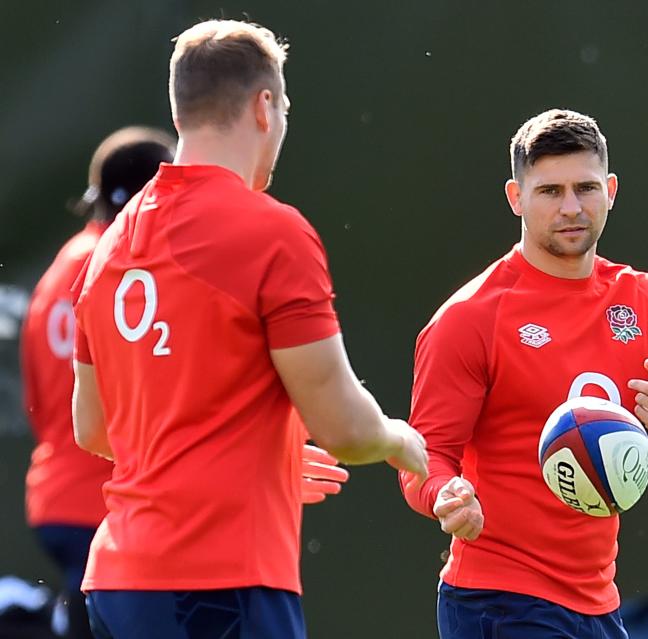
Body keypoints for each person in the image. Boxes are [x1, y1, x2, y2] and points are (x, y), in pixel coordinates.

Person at [71, 19, 427, 639]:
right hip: (218, 587)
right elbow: (344, 429)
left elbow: (96, 429)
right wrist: (398, 440)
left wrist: (267, 460)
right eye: (284, 107)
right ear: (265, 107)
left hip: (120, 585)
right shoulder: (271, 231)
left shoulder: (108, 246)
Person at [400, 108, 648, 639]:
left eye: (586, 188)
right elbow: (422, 454)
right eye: (550, 191)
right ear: (515, 198)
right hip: (500, 599)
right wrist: (443, 493)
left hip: (600, 603)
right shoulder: (471, 317)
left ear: (612, 189)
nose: (571, 207)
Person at [20, 125, 176, 639]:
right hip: (109, 507)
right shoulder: (125, 269)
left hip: (56, 497)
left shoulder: (61, 265)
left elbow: (39, 401)